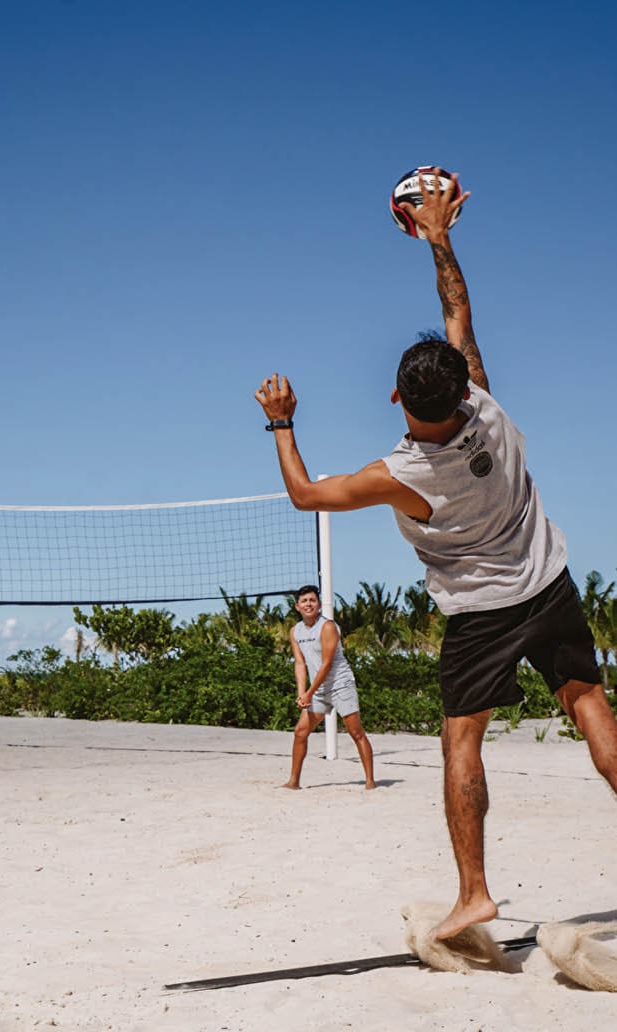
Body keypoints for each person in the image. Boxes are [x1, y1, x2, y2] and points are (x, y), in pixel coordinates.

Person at [255, 169, 617, 942]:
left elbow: (305, 495)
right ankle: (478, 891)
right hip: (548, 585)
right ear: (461, 384)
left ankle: (476, 894)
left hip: (482, 614)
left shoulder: (401, 475)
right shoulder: (483, 400)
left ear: (396, 401)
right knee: (590, 710)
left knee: (462, 739)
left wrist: (281, 424)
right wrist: (439, 236)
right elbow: (457, 309)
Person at [285, 584, 376, 790]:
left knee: (356, 732)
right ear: (297, 606)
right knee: (300, 732)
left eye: (312, 600)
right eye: (304, 601)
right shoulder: (295, 631)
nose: (308, 604)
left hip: (340, 684)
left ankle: (370, 782)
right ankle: (293, 782)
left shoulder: (327, 627)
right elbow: (300, 663)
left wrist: (309, 692)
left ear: (318, 604)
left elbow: (326, 664)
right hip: (317, 691)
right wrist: (302, 693)